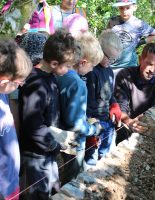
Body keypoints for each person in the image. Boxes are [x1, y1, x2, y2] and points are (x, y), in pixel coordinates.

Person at [18, 29, 81, 199]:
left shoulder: (50, 78)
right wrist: (53, 144)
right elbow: (33, 124)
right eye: (67, 66)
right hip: (35, 155)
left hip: (47, 151)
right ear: (54, 63)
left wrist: (60, 137)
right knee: (38, 193)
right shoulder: (36, 84)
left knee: (53, 188)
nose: (69, 70)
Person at [56, 31, 103, 184]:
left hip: (57, 139)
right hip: (72, 144)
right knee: (70, 181)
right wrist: (93, 129)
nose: (92, 71)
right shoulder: (77, 83)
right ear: (82, 62)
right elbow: (75, 123)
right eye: (92, 66)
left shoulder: (60, 74)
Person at [83, 30, 123, 166]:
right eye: (109, 57)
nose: (111, 61)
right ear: (99, 49)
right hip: (95, 123)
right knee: (91, 159)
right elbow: (86, 103)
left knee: (105, 155)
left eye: (114, 59)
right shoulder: (90, 72)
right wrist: (90, 128)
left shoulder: (109, 71)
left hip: (107, 122)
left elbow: (110, 94)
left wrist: (114, 105)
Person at [0, 40, 32, 200]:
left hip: (10, 181)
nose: (21, 86)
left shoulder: (3, 95)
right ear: (5, 82)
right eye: (19, 83)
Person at [107, 0, 155, 71]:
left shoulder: (139, 24)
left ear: (135, 7)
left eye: (128, 8)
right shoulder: (113, 21)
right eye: (121, 8)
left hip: (129, 66)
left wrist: (140, 42)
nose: (124, 11)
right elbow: (106, 37)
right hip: (111, 65)